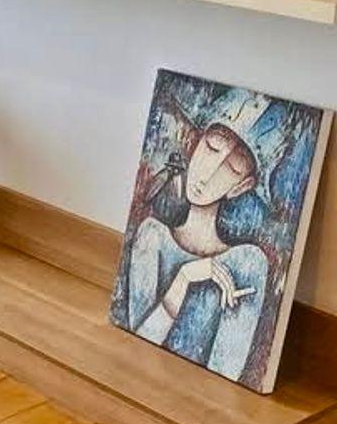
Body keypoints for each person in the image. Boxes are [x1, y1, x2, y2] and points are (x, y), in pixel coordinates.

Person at [115, 90, 292, 383]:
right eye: (211, 148)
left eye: (232, 169)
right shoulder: (151, 236)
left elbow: (228, 371)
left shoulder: (248, 264)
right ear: (195, 144)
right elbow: (136, 342)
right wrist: (183, 279)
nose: (209, 173)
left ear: (241, 186)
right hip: (138, 379)